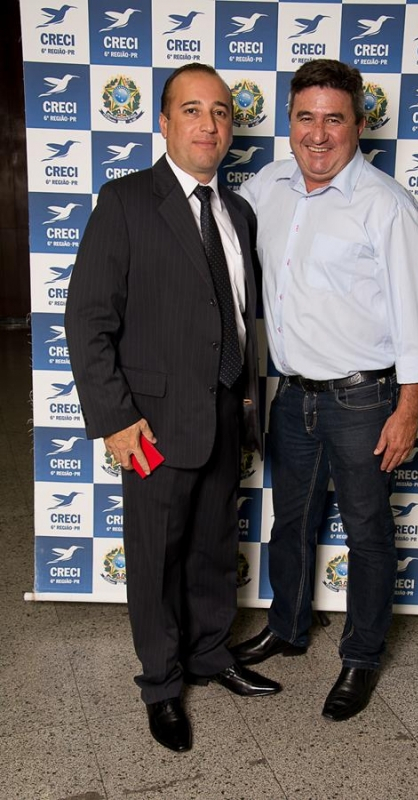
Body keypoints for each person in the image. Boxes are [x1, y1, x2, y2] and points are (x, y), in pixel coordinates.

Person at [65, 63, 281, 754]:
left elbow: (236, 316)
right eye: (192, 109)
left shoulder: (237, 212)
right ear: (164, 122)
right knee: (156, 555)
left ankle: (210, 654)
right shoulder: (126, 200)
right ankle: (161, 683)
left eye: (220, 112)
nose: (208, 125)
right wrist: (115, 419)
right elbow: (87, 320)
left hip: (225, 412)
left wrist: (245, 399)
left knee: (214, 546)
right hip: (151, 424)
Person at [232, 59, 418, 722]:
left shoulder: (385, 205)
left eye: (333, 119)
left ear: (358, 124)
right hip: (292, 395)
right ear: (289, 120)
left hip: (364, 401)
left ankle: (361, 656)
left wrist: (407, 409)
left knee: (367, 532)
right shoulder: (266, 186)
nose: (317, 133)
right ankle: (288, 627)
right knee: (289, 523)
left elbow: (416, 317)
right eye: (305, 117)